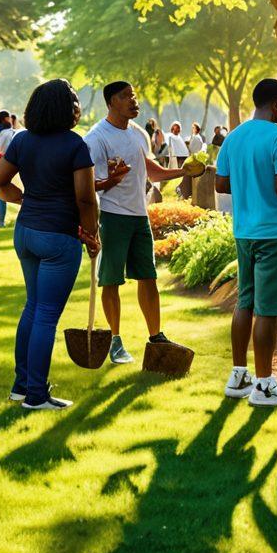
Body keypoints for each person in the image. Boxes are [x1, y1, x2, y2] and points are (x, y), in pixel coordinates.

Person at [0, 79, 99, 410]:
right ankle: (36, 395)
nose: (79, 107)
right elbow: (85, 198)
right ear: (67, 109)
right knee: (46, 314)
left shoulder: (23, 140)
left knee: (33, 307)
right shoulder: (75, 145)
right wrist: (93, 236)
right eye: (75, 102)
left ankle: (22, 386)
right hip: (57, 237)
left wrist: (23, 199)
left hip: (26, 233)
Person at [215, 78, 277, 406]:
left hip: (244, 232)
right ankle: (264, 386)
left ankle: (239, 375)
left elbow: (221, 184)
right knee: (267, 310)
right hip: (274, 234)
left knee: (245, 302)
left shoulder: (234, 137)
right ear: (275, 104)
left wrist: (250, 184)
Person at [85, 82, 192, 365]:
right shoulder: (96, 138)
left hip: (139, 216)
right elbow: (87, 184)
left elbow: (150, 171)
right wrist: (112, 180)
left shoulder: (139, 134)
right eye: (125, 97)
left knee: (148, 277)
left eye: (134, 95)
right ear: (111, 103)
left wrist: (184, 170)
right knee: (111, 279)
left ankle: (156, 337)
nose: (133, 100)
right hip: (112, 215)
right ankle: (115, 341)